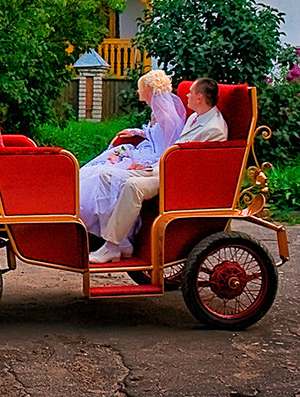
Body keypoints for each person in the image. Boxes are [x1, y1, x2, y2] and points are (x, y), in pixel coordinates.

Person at [87, 76, 229, 264]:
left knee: (133, 186)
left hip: (177, 177)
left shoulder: (214, 129)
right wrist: (150, 167)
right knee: (107, 175)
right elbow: (176, 150)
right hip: (164, 167)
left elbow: (190, 163)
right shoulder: (196, 117)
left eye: (190, 93)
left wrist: (152, 170)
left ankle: (112, 247)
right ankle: (121, 244)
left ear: (199, 98)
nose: (186, 95)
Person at [78, 69, 186, 245]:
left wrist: (146, 165)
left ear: (148, 91)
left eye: (140, 88)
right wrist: (135, 132)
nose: (138, 92)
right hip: (144, 151)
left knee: (104, 174)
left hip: (154, 159)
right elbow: (152, 133)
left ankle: (111, 235)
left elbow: (169, 148)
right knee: (101, 164)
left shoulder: (167, 116)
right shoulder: (155, 112)